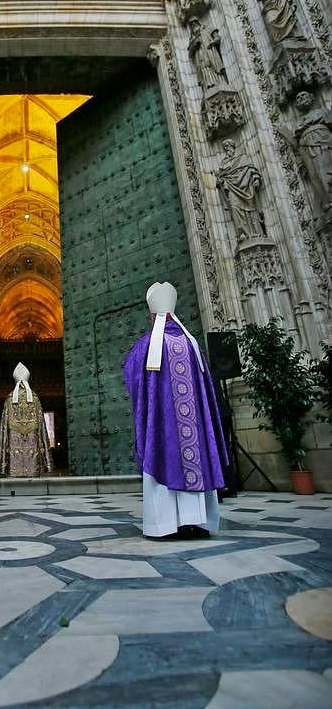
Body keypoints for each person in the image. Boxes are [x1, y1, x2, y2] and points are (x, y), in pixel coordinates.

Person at [123, 282, 227, 540]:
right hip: (194, 432)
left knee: (164, 455)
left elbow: (132, 376)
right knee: (195, 452)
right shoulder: (193, 346)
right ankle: (198, 521)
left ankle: (167, 524)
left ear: (152, 315)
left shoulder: (147, 346)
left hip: (165, 429)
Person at [0, 362, 53, 477]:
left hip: (14, 435)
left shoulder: (10, 398)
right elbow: (41, 424)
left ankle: (14, 472)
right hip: (32, 435)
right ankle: (33, 471)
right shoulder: (35, 397)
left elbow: (4, 426)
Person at [215, 138, 265, 241]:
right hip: (231, 188)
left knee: (251, 209)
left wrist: (256, 179)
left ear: (233, 147)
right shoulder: (223, 163)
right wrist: (220, 183)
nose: (227, 149)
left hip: (246, 186)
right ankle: (242, 233)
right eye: (225, 147)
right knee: (234, 207)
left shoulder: (242, 158)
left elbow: (251, 169)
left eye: (228, 146)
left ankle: (256, 232)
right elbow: (221, 176)